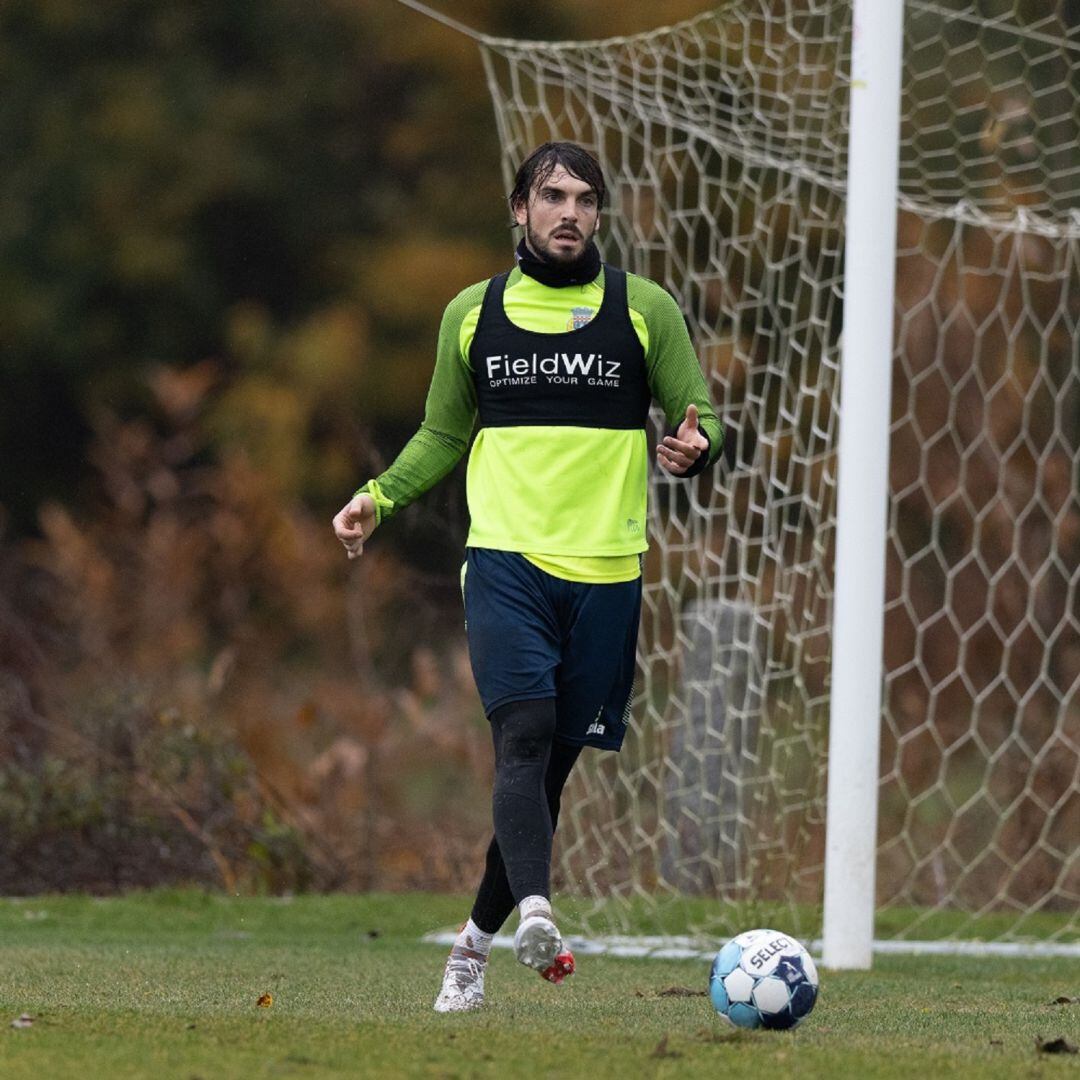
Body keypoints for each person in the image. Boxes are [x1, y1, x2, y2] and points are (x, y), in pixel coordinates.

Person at [333, 141, 722, 1012]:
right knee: (524, 734)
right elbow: (441, 433)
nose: (569, 212)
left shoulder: (644, 310)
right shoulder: (472, 314)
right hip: (504, 560)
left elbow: (701, 414)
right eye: (552, 196)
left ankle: (472, 943)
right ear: (519, 208)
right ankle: (539, 912)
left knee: (546, 774)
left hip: (608, 571)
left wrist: (699, 448)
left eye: (585, 199)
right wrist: (378, 498)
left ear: (599, 215)